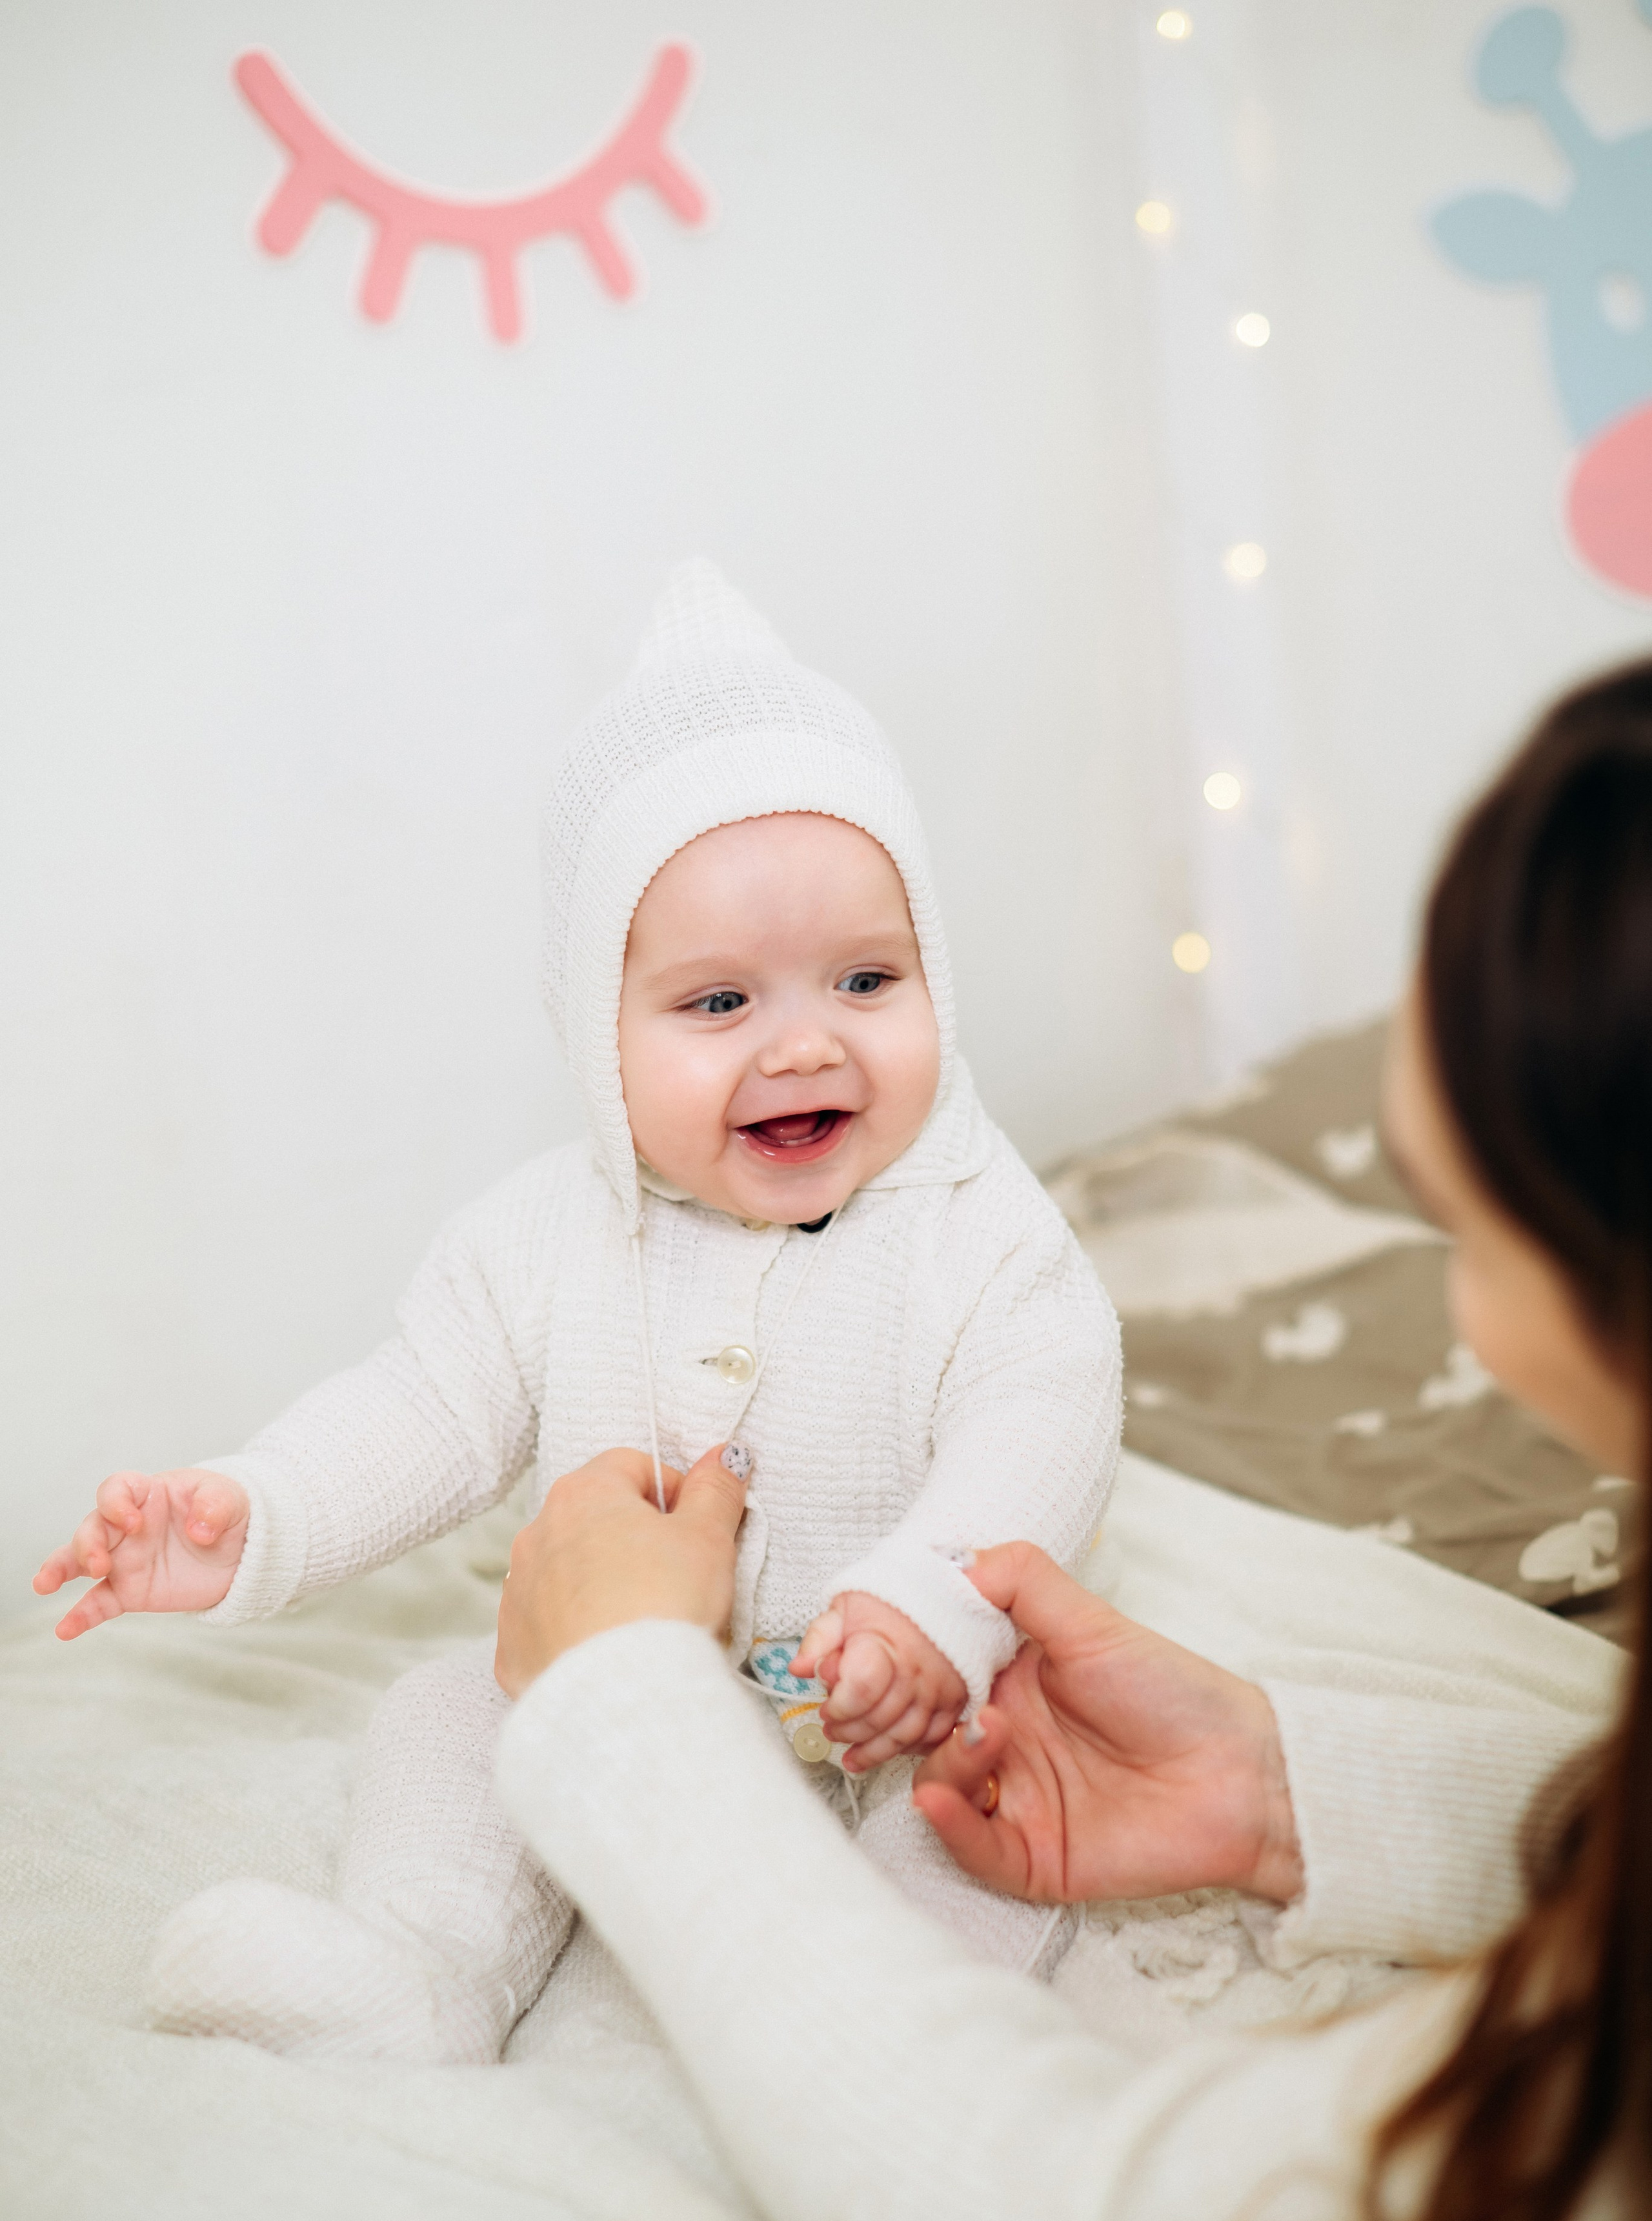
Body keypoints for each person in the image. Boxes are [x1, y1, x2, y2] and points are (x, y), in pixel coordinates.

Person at [486, 661, 1652, 2221]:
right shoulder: (564, 1252)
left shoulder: (997, 1255)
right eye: (714, 999)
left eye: (1466, 1228)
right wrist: (1291, 1790)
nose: (1471, 1338)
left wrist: (622, 1707)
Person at [32, 559, 1121, 2062]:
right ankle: (423, 1971)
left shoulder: (975, 1227)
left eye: (866, 978)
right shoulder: (544, 1235)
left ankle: (876, 2033)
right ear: (594, 1032)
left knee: (992, 1800)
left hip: (898, 1715)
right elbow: (421, 1406)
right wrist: (253, 1509)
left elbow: (1046, 1410)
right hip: (614, 1688)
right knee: (444, 1713)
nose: (803, 1042)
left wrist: (928, 1608)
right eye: (718, 1003)